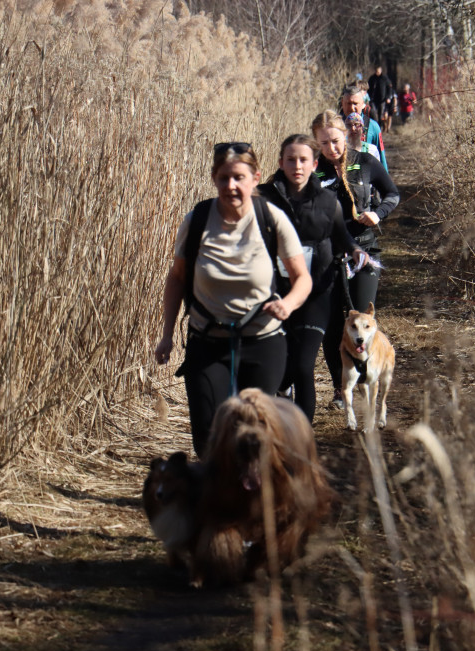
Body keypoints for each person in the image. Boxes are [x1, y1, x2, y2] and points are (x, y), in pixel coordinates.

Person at [155, 143, 312, 454]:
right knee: (209, 436)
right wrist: (167, 335)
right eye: (224, 178)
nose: (231, 186)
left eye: (239, 177)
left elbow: (302, 279)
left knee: (252, 436)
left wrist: (288, 303)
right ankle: (218, 498)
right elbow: (176, 278)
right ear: (214, 179)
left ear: (255, 178)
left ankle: (254, 496)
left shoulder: (271, 219)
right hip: (207, 342)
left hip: (262, 343)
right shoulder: (198, 220)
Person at [258, 135, 366, 422]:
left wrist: (356, 251)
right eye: (290, 159)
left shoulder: (328, 202)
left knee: (304, 367)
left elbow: (342, 238)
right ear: (280, 162)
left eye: (303, 159)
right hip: (274, 294)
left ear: (314, 164)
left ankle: (301, 438)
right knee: (280, 366)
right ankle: (281, 391)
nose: (297, 165)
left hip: (316, 293)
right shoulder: (263, 199)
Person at [311, 111, 399, 410]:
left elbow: (392, 193)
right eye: (323, 144)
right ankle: (340, 388)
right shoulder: (312, 169)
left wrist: (378, 213)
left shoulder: (365, 162)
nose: (331, 149)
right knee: (335, 323)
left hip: (364, 252)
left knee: (361, 319)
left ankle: (367, 378)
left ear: (345, 136)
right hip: (328, 256)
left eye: (335, 141)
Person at [340, 84, 387, 172]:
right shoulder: (336, 126)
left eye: (355, 104)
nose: (352, 108)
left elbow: (382, 159)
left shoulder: (373, 127)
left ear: (362, 104)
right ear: (342, 103)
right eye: (348, 103)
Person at [367, 66, 394, 133]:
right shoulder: (372, 78)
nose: (377, 72)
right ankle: (375, 127)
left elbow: (390, 88)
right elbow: (367, 88)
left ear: (381, 71)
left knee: (381, 114)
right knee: (373, 113)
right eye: (376, 71)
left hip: (382, 100)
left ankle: (380, 127)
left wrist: (388, 97)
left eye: (378, 71)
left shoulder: (385, 79)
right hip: (373, 100)